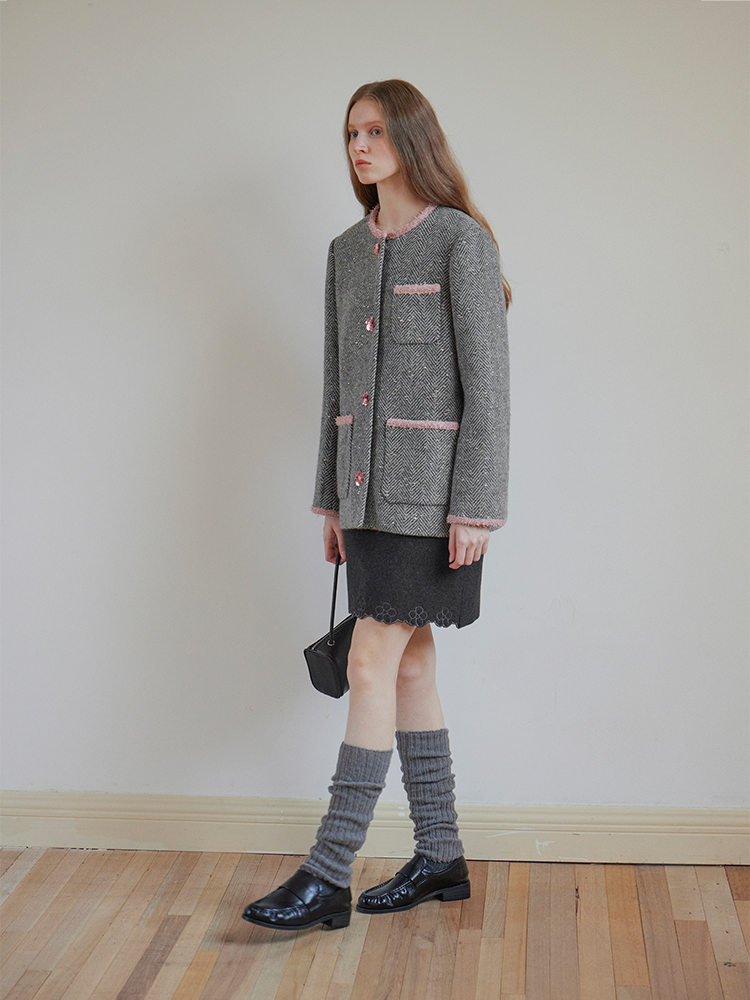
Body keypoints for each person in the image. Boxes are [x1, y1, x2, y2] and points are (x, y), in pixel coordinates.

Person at [242, 79, 510, 932]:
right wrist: (331, 500)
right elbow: (336, 386)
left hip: (433, 504)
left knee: (368, 663)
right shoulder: (344, 251)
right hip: (361, 499)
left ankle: (327, 873)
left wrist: (476, 508)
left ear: (411, 139)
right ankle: (441, 855)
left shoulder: (461, 242)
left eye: (376, 132)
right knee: (410, 667)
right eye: (351, 133)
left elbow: (490, 390)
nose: (359, 147)